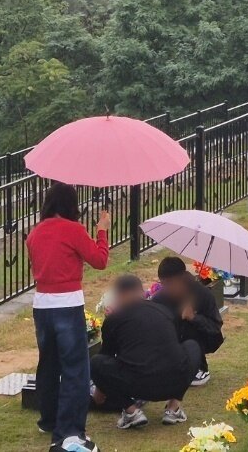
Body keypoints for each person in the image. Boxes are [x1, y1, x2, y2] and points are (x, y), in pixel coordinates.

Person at [25, 183, 110, 452]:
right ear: (71, 204)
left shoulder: (35, 233)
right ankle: (70, 430)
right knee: (75, 369)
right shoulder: (74, 230)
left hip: (42, 305)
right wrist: (102, 230)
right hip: (67, 303)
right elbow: (99, 260)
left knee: (48, 364)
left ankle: (48, 419)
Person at [90, 273, 203, 429]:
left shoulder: (114, 319)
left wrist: (98, 392)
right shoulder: (164, 311)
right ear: (141, 292)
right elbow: (174, 347)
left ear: (120, 295)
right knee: (193, 346)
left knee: (96, 362)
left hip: (137, 388)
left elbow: (105, 356)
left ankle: (131, 411)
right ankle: (173, 407)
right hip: (174, 382)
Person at [154, 255, 224, 387]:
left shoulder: (203, 295)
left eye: (170, 284)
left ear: (182, 279)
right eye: (163, 284)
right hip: (171, 346)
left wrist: (194, 318)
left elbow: (215, 329)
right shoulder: (160, 299)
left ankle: (199, 368)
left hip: (201, 341)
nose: (167, 289)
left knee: (190, 327)